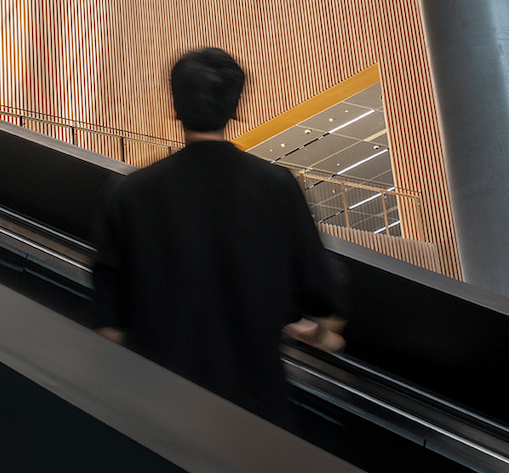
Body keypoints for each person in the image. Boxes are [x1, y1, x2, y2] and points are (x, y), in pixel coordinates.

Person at [92, 46, 346, 427]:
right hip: (255, 416)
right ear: (235, 108)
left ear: (175, 106)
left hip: (158, 414)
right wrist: (322, 333)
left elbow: (108, 325)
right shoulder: (276, 187)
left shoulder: (130, 193)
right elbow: (325, 295)